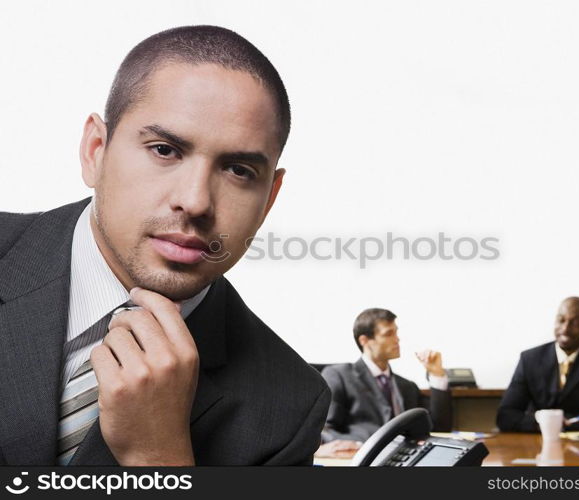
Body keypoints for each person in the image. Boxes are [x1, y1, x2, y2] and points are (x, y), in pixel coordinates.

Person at [0, 26, 330, 466]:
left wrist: (159, 458)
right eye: (165, 150)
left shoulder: (288, 408)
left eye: (237, 170)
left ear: (269, 198)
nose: (195, 201)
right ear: (95, 150)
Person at [319, 308, 452, 445]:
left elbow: (440, 428)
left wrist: (437, 375)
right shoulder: (340, 376)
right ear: (365, 340)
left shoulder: (407, 386)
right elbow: (324, 429)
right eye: (389, 334)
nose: (397, 339)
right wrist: (359, 446)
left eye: (396, 332)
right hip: (360, 459)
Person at [496, 297, 579, 432]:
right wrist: (544, 424)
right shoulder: (529, 359)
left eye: (575, 322)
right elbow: (506, 415)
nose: (565, 329)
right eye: (561, 320)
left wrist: (559, 424)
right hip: (538, 445)